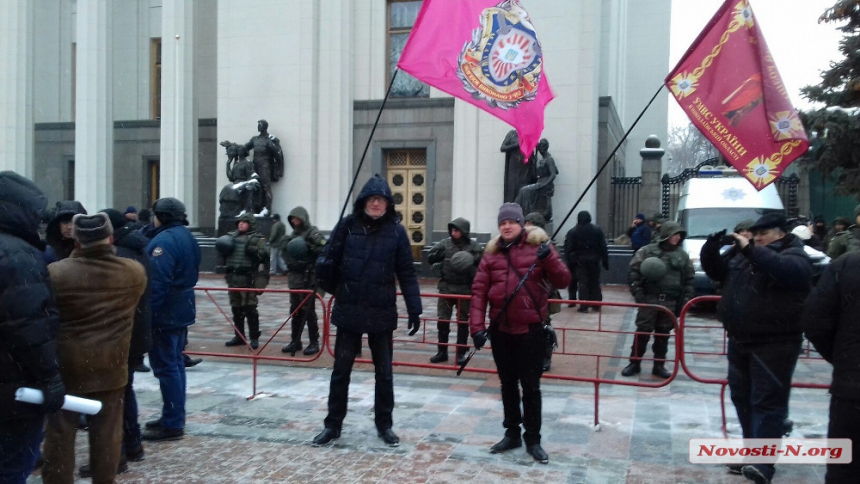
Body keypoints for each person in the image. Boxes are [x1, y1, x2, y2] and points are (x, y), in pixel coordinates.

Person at [699, 213, 812, 482]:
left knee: (767, 401)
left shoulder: (795, 255)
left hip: (774, 343)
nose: (758, 238)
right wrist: (711, 250)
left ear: (781, 233)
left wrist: (750, 249)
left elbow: (782, 270)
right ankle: (752, 454)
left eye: (764, 233)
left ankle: (763, 463)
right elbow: (717, 273)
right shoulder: (744, 255)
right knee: (742, 397)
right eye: (756, 234)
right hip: (741, 339)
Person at [312, 175, 422, 447]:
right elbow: (329, 262)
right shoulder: (347, 226)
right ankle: (333, 425)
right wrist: (328, 274)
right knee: (341, 372)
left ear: (387, 203)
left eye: (381, 198)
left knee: (384, 373)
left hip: (381, 311)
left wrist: (414, 309)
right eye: (372, 198)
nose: (376, 202)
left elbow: (406, 273)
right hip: (349, 309)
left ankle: (384, 424)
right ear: (363, 201)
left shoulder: (396, 232)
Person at [43, 213, 146, 484]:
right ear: (110, 238)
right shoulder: (133, 271)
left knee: (60, 434)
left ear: (76, 241)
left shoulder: (56, 273)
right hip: (112, 365)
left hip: (68, 365)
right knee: (108, 434)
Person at [469, 203, 571, 464]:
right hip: (501, 331)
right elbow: (479, 293)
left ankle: (533, 439)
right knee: (507, 386)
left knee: (531, 387)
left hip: (531, 332)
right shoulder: (491, 255)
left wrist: (549, 257)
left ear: (521, 224)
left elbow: (563, 281)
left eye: (511, 222)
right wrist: (477, 328)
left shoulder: (539, 248)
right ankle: (512, 432)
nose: (506, 226)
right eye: (502, 222)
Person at [0, 171, 66, 484]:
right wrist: (49, 376)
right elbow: (28, 326)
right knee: (12, 467)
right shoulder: (18, 255)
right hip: (13, 388)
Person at [96, 209, 152, 471]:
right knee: (124, 390)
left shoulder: (119, 256)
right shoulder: (137, 248)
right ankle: (132, 444)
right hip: (136, 331)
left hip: (121, 334)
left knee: (114, 394)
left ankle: (116, 452)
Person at [142, 198, 201, 442]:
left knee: (167, 367)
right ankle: (173, 416)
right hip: (180, 308)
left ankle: (173, 422)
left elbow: (158, 283)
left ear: (162, 216)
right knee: (175, 365)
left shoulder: (165, 241)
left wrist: (147, 314)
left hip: (166, 313)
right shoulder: (185, 235)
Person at [802, 251, 860, 483]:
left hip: (852, 390)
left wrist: (843, 358)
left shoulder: (847, 265)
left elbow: (814, 320)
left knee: (845, 467)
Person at [623, 221, 693, 379]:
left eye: (679, 235)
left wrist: (686, 299)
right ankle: (634, 363)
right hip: (650, 298)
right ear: (666, 234)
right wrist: (638, 292)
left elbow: (689, 278)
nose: (677, 238)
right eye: (674, 234)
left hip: (671, 301)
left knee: (663, 334)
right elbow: (633, 271)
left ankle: (659, 365)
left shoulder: (682, 256)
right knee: (642, 331)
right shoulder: (647, 251)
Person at [426, 217, 482, 365]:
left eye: (457, 230)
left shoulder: (474, 246)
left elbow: (483, 262)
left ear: (464, 231)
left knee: (462, 322)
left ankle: (461, 352)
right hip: (446, 288)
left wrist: (472, 259)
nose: (453, 232)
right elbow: (430, 257)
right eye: (452, 229)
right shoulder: (445, 244)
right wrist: (438, 256)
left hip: (464, 289)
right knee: (443, 321)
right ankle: (442, 351)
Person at [280, 206, 327, 356]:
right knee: (295, 311)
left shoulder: (313, 233)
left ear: (303, 218)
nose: (294, 221)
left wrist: (310, 248)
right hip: (295, 278)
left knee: (308, 311)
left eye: (296, 218)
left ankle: (314, 342)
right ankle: (295, 341)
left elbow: (324, 248)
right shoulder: (292, 235)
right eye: (292, 219)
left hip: (308, 278)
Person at [222, 213, 269, 350]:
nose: (241, 224)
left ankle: (254, 337)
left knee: (250, 308)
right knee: (236, 308)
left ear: (251, 224)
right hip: (233, 278)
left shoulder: (257, 238)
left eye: (244, 222)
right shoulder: (231, 237)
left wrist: (254, 251)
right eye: (239, 222)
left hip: (248, 278)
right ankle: (239, 336)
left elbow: (266, 254)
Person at [564, 210, 609, 313]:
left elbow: (569, 248)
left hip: (580, 261)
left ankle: (584, 306)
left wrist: (570, 263)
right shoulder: (597, 230)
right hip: (594, 260)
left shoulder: (573, 231)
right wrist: (605, 261)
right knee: (594, 282)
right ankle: (596, 304)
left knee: (583, 283)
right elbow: (603, 247)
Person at [241, 119, 284, 216]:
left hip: (265, 166)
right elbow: (244, 148)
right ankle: (255, 208)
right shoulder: (254, 139)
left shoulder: (268, 140)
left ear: (264, 127)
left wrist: (278, 169)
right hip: (254, 166)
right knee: (254, 187)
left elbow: (277, 154)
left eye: (259, 125)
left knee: (266, 187)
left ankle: (267, 209)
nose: (258, 127)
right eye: (258, 125)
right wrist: (232, 147)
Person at [514, 138, 558, 221]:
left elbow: (553, 175)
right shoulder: (542, 159)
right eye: (540, 146)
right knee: (524, 190)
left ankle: (518, 209)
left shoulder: (549, 159)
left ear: (546, 147)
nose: (541, 148)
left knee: (524, 190)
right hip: (540, 182)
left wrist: (545, 184)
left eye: (543, 146)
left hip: (544, 184)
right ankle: (520, 209)